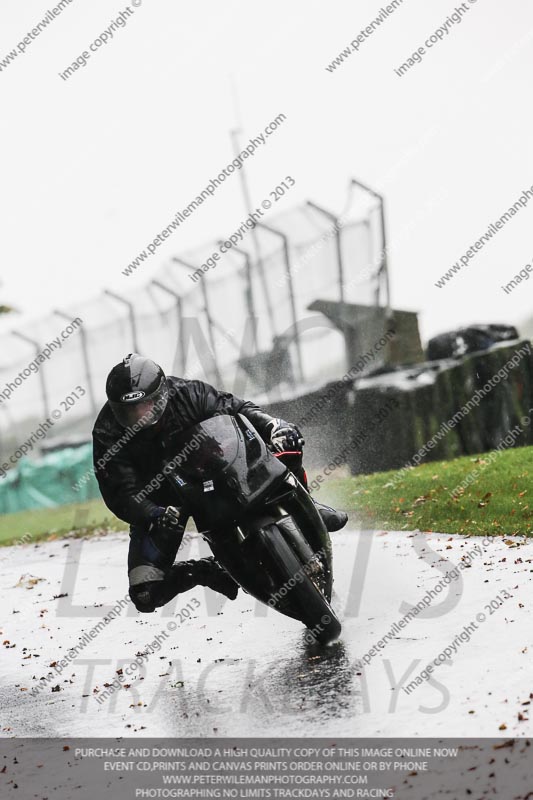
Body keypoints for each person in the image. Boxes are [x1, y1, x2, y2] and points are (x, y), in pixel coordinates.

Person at [92, 354, 348, 614]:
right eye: (130, 411)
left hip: (211, 470)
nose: (139, 415)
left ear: (162, 394)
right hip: (163, 505)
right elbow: (120, 493)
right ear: (116, 409)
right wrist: (153, 513)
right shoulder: (107, 433)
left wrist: (272, 426)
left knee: (288, 445)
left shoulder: (188, 393)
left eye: (145, 405)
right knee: (145, 593)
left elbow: (236, 408)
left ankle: (308, 504)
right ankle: (207, 570)